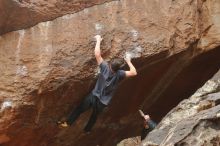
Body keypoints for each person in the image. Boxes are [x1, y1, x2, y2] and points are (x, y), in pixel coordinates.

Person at [59, 35, 137, 133]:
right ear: (119, 69)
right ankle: (87, 130)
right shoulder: (120, 74)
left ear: (110, 65)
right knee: (94, 116)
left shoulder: (105, 67)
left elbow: (97, 54)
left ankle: (68, 123)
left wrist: (98, 40)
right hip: (103, 102)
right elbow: (134, 72)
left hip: (94, 96)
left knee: (79, 109)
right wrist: (129, 61)